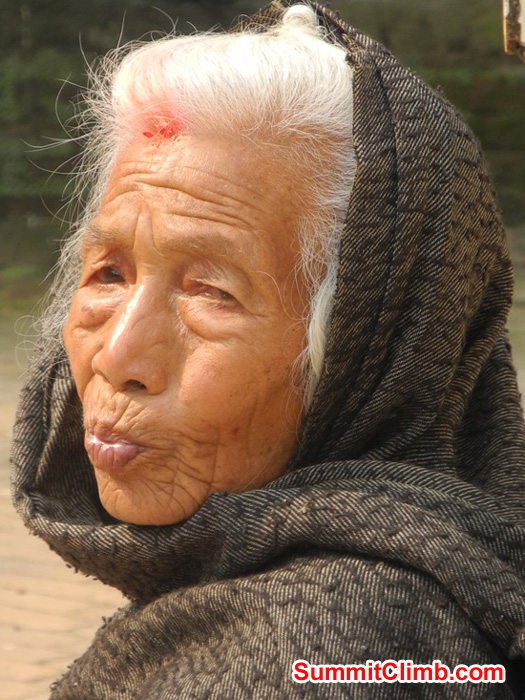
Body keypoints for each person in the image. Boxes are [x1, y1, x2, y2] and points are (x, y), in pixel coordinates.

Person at [11, 1, 525, 697]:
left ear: (365, 349)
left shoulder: (311, 650)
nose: (117, 357)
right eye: (109, 273)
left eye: (211, 292)